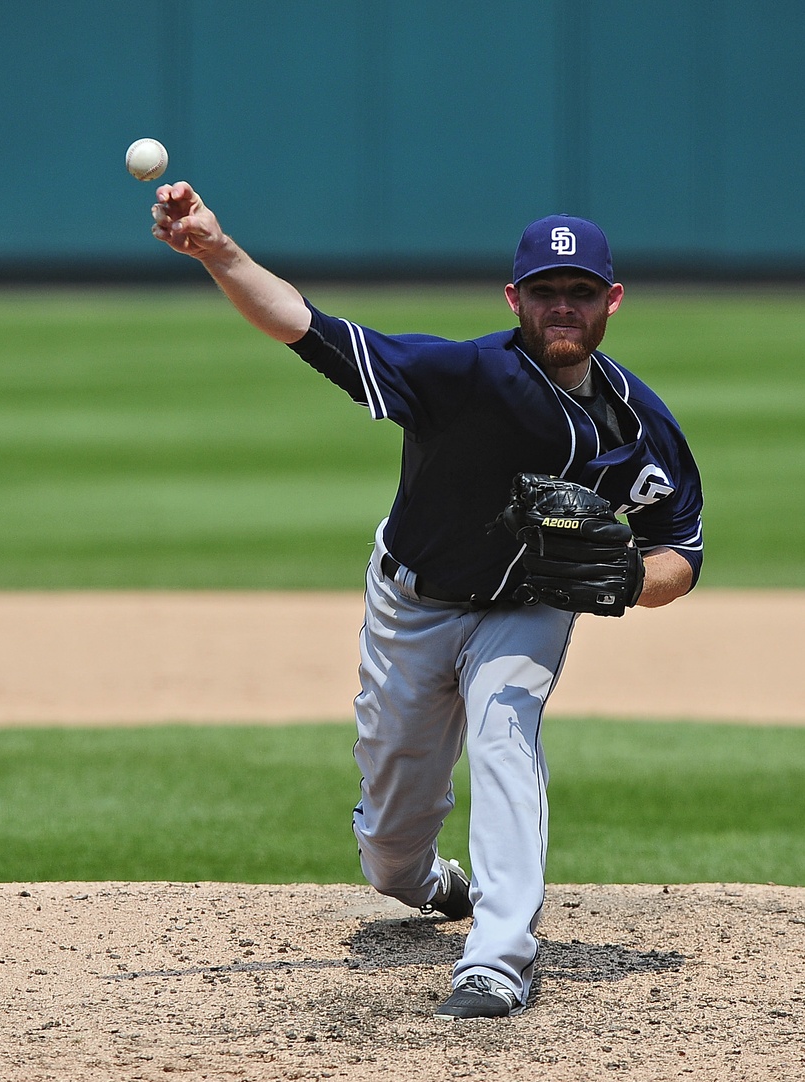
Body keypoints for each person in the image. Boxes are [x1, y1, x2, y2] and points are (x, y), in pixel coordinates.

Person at [150, 186, 704, 1020]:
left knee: (504, 731)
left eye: (581, 291)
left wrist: (631, 581)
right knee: (388, 849)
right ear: (512, 298)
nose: (564, 306)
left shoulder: (641, 423)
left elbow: (681, 550)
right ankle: (430, 880)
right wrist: (217, 251)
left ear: (610, 301)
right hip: (413, 602)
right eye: (546, 290)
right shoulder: (464, 374)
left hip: (526, 606)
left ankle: (497, 953)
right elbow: (311, 329)